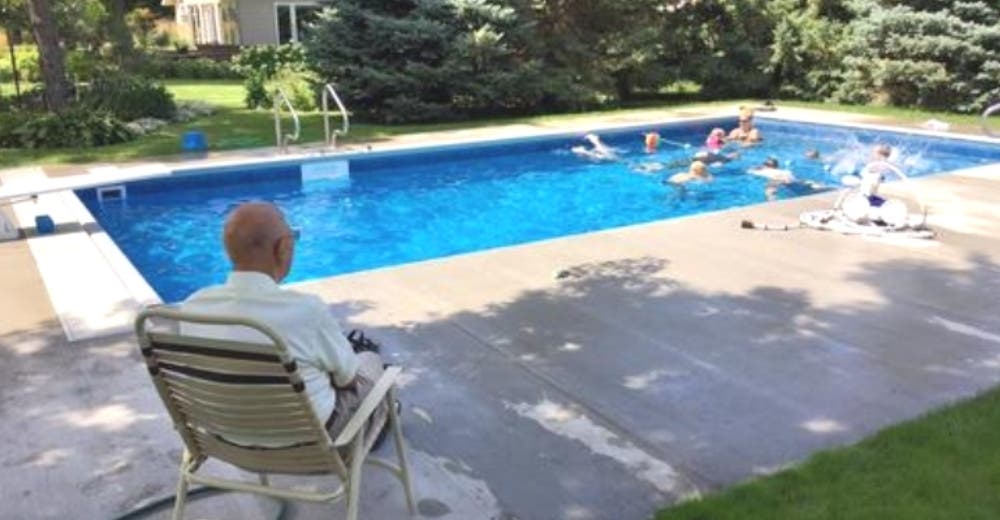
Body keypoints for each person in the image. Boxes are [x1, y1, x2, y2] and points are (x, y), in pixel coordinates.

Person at [179, 202, 388, 449]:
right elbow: (348, 381)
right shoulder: (306, 311)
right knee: (370, 363)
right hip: (314, 443)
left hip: (227, 441)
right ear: (283, 247)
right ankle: (381, 417)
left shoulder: (194, 307)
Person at [749, 157, 823, 200]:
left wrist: (756, 168)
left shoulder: (764, 171)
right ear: (776, 166)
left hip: (778, 180)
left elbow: (749, 171)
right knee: (802, 182)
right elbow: (795, 178)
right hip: (791, 180)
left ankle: (771, 199)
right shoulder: (785, 170)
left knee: (770, 186)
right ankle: (818, 185)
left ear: (765, 165)